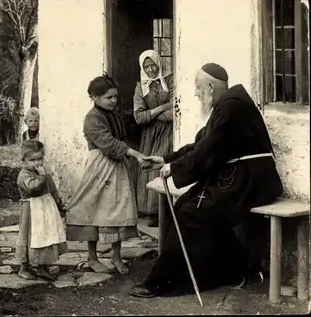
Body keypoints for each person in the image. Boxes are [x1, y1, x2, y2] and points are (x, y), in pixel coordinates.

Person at [128, 63, 283, 298]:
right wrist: (164, 159)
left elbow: (206, 152)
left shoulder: (233, 108)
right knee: (183, 206)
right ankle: (238, 268)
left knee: (192, 213)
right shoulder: (226, 106)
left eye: (198, 87)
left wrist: (175, 168)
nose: (196, 93)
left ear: (211, 86)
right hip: (237, 177)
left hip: (252, 181)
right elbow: (200, 145)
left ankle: (160, 282)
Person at [65, 74, 149, 275]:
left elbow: (120, 138)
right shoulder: (92, 118)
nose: (113, 101)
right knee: (93, 210)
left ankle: (116, 256)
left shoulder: (114, 114)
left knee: (117, 210)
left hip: (116, 167)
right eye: (108, 97)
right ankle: (92, 258)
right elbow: (108, 143)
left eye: (115, 97)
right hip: (99, 166)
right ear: (94, 97)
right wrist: (134, 153)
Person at [16, 140, 68, 281]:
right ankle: (24, 268)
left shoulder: (44, 173)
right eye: (32, 160)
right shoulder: (24, 175)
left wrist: (59, 204)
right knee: (30, 237)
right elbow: (33, 188)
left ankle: (41, 266)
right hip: (31, 211)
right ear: (23, 160)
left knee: (45, 237)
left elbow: (52, 190)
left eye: (39, 158)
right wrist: (42, 176)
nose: (37, 163)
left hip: (46, 209)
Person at [133, 50, 174, 226]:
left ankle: (165, 211)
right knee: (149, 168)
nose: (150, 70)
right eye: (146, 66)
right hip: (150, 135)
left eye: (153, 65)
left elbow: (174, 112)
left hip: (168, 132)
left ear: (159, 63)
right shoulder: (140, 86)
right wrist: (160, 108)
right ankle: (150, 212)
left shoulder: (171, 80)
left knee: (163, 165)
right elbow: (138, 117)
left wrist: (150, 113)